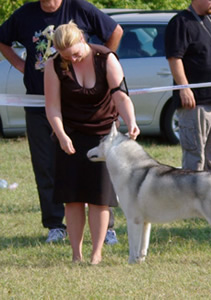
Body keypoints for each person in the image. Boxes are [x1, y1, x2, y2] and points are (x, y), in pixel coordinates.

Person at [0, 0, 123, 243]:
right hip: (40, 103)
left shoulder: (80, 8)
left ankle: (107, 228)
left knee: (98, 168)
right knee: (46, 166)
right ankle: (55, 225)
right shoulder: (24, 14)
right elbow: (2, 39)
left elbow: (115, 31)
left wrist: (101, 63)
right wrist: (20, 65)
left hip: (80, 108)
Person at [44, 21, 140, 263]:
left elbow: (120, 96)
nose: (72, 60)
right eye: (66, 57)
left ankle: (96, 254)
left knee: (100, 198)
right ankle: (76, 255)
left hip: (104, 138)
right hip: (71, 137)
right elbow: (52, 107)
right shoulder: (54, 65)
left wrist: (131, 121)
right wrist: (62, 135)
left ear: (83, 41)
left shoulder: (106, 59)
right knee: (73, 198)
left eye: (75, 54)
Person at [164, 0, 211, 172]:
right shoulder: (180, 22)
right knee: (195, 155)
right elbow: (174, 58)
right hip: (197, 102)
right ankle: (192, 196)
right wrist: (184, 88)